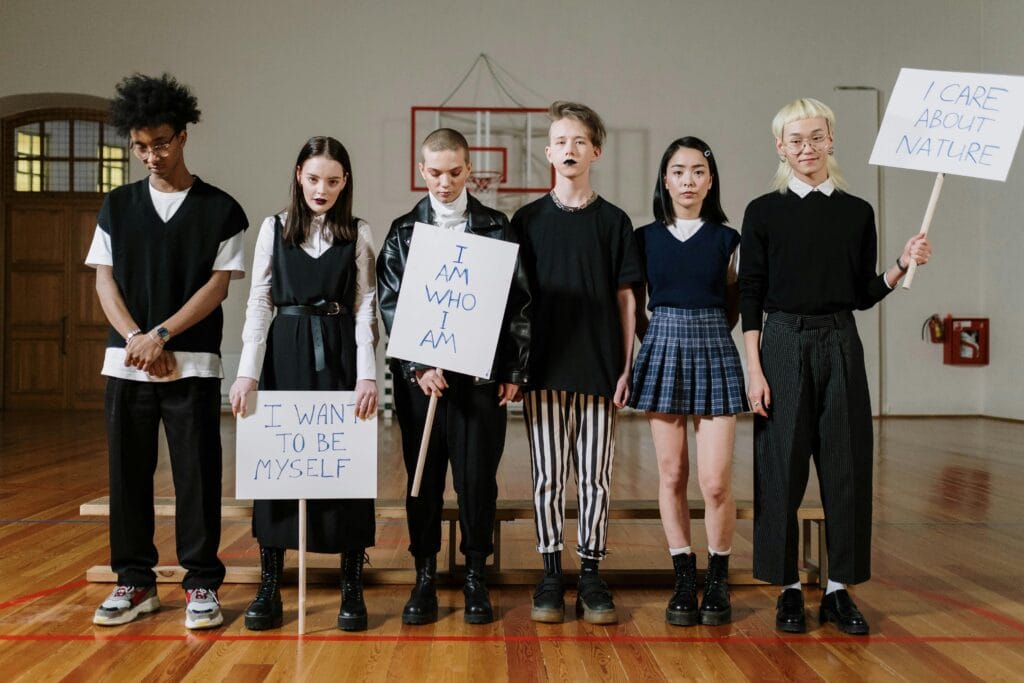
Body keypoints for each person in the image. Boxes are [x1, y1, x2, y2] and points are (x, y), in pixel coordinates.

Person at [740, 98, 932, 635]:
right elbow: (750, 295)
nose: (807, 147)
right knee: (780, 470)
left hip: (840, 341)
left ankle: (839, 590)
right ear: (781, 146)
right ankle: (785, 590)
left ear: (831, 140)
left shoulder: (856, 212)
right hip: (780, 341)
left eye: (816, 137)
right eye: (796, 139)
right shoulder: (763, 211)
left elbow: (863, 293)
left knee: (846, 468)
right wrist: (754, 370)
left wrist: (901, 264)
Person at [87, 73, 247, 629]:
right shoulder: (116, 205)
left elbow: (217, 287)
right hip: (126, 363)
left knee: (197, 477)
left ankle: (201, 585)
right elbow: (104, 282)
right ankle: (134, 582)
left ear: (182, 136)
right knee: (127, 475)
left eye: (159, 143)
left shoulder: (222, 210)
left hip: (192, 364)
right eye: (139, 146)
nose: (149, 155)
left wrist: (161, 337)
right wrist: (136, 338)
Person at [377, 128, 530, 626]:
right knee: (423, 479)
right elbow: (391, 305)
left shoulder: (496, 226)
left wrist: (513, 367)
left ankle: (475, 576)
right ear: (422, 171)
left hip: (480, 382)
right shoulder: (403, 231)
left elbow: (518, 303)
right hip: (424, 384)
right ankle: (424, 575)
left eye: (454, 172)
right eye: (435, 172)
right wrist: (417, 367)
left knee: (476, 481)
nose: (444, 182)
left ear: (470, 170)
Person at [229, 136, 379, 632]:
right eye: (314, 179)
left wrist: (367, 375)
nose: (322, 189)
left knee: (345, 463)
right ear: (298, 175)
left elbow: (365, 309)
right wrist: (248, 371)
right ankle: (271, 581)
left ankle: (351, 583)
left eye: (333, 181)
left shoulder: (358, 233)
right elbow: (259, 301)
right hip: (286, 352)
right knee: (280, 463)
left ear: (346, 182)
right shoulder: (273, 228)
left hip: (337, 352)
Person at [514, 101, 642, 624]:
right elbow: (512, 304)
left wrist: (626, 366)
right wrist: (515, 369)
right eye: (560, 141)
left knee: (594, 478)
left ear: (596, 150)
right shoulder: (526, 220)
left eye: (579, 141)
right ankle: (550, 572)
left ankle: (590, 572)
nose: (569, 149)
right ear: (548, 152)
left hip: (598, 368)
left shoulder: (614, 222)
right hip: (544, 368)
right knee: (547, 477)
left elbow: (627, 301)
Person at [629, 137, 747, 626]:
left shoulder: (728, 239)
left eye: (698, 171)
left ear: (710, 180)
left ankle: (717, 579)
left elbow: (737, 303)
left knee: (715, 481)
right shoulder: (645, 238)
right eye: (678, 171)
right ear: (665, 179)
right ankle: (683, 574)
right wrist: (653, 342)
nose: (688, 181)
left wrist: (710, 329)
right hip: (662, 348)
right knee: (672, 474)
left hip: (715, 347)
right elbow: (635, 304)